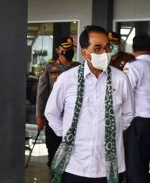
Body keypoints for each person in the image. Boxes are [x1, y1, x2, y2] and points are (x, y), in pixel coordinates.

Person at [44, 25, 135, 183]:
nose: (105, 53)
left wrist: (109, 131)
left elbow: (128, 114)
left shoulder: (121, 79)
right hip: (74, 165)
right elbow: (51, 112)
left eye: (107, 47)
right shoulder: (67, 79)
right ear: (85, 52)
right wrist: (66, 133)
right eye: (98, 48)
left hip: (109, 168)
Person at [123, 33, 150, 183]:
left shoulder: (133, 66)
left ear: (133, 48)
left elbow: (124, 94)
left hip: (139, 122)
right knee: (142, 166)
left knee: (135, 170)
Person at [36, 36, 80, 167]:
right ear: (57, 50)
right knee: (54, 153)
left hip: (73, 118)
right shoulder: (49, 68)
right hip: (54, 117)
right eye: (66, 48)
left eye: (71, 48)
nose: (69, 51)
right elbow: (41, 94)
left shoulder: (79, 67)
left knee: (72, 156)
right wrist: (39, 116)